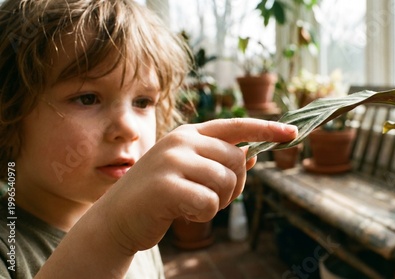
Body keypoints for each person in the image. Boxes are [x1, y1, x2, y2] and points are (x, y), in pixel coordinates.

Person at [0, 0, 298, 278]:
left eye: (143, 102)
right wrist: (115, 233)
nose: (129, 128)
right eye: (87, 98)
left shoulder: (137, 222)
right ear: (9, 111)